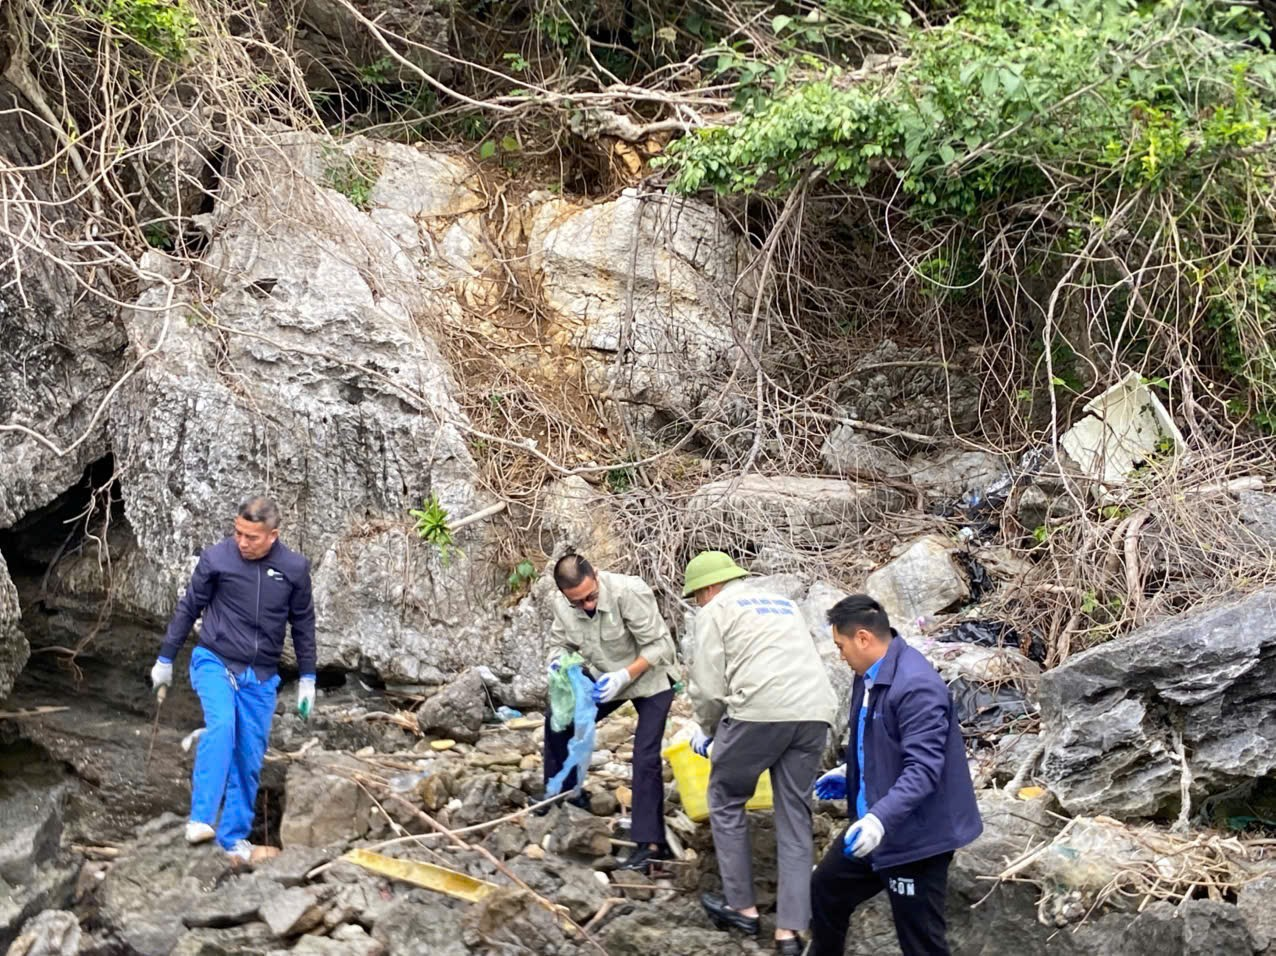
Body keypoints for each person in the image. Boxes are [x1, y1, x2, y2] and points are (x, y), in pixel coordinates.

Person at [683, 551, 838, 956]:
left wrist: (709, 730)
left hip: (759, 713)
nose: (698, 602)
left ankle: (742, 909)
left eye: (696, 595)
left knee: (725, 797)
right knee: (795, 814)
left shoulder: (715, 609)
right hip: (814, 712)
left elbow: (707, 686)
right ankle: (790, 931)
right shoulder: (783, 604)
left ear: (708, 588)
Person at [809, 595, 982, 956]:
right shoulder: (868, 675)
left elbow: (923, 770)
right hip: (873, 828)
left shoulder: (916, 686)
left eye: (840, 646)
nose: (840, 656)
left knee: (920, 942)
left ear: (863, 638)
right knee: (826, 888)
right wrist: (852, 772)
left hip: (916, 837)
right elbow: (878, 738)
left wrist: (878, 821)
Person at [148, 496, 316, 862]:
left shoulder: (294, 569)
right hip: (215, 661)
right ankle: (200, 819)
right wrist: (165, 659)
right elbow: (189, 607)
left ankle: (233, 839)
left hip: (262, 676)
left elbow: (303, 625)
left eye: (251, 536)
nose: (242, 542)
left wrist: (307, 678)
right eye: (238, 533)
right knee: (222, 725)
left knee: (249, 757)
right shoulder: (217, 559)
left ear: (273, 535)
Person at [544, 552, 679, 873]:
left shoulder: (628, 592)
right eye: (578, 602)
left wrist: (624, 676)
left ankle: (651, 845)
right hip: (604, 675)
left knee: (645, 755)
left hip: (651, 678)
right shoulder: (563, 605)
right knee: (558, 721)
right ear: (564, 595)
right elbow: (560, 644)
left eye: (591, 596)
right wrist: (558, 663)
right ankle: (567, 794)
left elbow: (660, 646)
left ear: (596, 575)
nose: (587, 605)